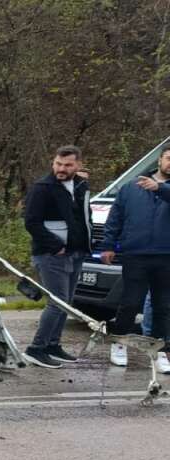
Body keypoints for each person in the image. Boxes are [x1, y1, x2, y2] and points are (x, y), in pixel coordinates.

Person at [99, 145, 170, 374]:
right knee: (130, 302)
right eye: (168, 158)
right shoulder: (131, 188)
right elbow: (115, 218)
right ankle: (119, 344)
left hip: (166, 255)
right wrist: (109, 245)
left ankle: (159, 350)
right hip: (135, 253)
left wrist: (159, 188)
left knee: (162, 306)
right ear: (159, 161)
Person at [22, 145, 92, 368]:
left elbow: (83, 216)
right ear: (53, 163)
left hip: (76, 252)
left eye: (68, 165)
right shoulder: (42, 188)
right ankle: (36, 348)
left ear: (78, 165)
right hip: (51, 255)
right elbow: (31, 222)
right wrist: (55, 246)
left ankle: (53, 344)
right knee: (57, 302)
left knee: (67, 303)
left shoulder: (80, 185)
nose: (61, 169)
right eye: (58, 164)